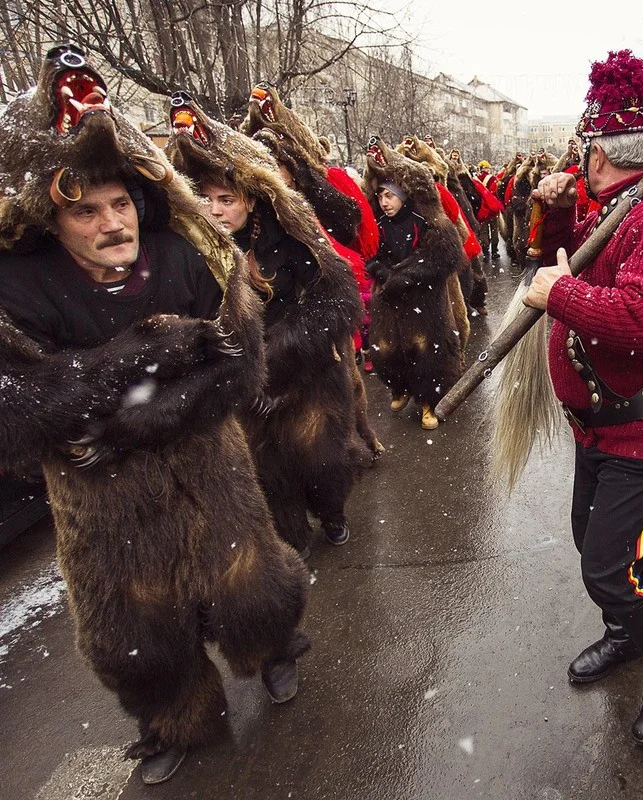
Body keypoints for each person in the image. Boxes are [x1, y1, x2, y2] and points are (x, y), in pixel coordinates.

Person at [0, 46, 309, 785]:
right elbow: (16, 415)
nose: (113, 224)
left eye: (120, 204)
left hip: (211, 471)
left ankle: (273, 654)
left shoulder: (190, 256)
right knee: (136, 635)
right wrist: (136, 355)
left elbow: (240, 368)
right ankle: (171, 719)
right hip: (102, 509)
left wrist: (140, 419)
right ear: (52, 219)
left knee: (251, 587)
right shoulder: (15, 288)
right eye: (86, 211)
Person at [524, 50, 643, 746]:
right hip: (597, 424)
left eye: (586, 152)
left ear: (603, 154)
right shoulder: (613, 206)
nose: (581, 162)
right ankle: (625, 632)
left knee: (613, 562)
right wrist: (557, 216)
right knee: (591, 544)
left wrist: (559, 294)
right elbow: (580, 261)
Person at [168, 92, 368, 554]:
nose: (215, 210)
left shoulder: (290, 233)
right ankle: (291, 537)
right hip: (245, 391)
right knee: (268, 475)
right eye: (204, 199)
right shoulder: (192, 250)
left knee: (322, 462)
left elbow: (336, 299)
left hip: (307, 374)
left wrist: (277, 348)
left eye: (226, 199)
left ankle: (332, 511)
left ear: (251, 202)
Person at [362, 138, 466, 430]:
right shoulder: (380, 224)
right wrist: (381, 270)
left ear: (404, 196)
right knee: (388, 348)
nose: (384, 202)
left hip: (424, 303)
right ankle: (401, 386)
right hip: (391, 305)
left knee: (428, 351)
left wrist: (406, 276)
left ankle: (428, 402)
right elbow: (375, 253)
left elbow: (442, 257)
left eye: (389, 196)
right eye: (380, 196)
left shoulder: (429, 222)